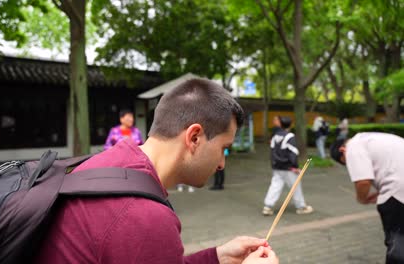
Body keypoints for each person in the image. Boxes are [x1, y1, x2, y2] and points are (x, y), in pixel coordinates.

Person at [35, 78, 278, 264]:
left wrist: (217, 258)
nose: (222, 164)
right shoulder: (144, 216)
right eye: (223, 148)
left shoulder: (109, 163)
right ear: (194, 137)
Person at [330, 132, 404, 264]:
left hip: (399, 193)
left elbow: (363, 182)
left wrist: (362, 199)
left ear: (342, 150)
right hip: (398, 188)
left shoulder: (353, 146)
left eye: (346, 162)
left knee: (398, 244)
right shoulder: (372, 138)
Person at [262, 116, 314, 216]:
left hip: (276, 166)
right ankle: (301, 207)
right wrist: (295, 166)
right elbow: (292, 153)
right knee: (295, 186)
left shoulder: (275, 136)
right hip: (288, 167)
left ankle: (267, 207)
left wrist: (274, 164)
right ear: (289, 125)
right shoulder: (289, 136)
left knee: (275, 186)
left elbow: (272, 152)